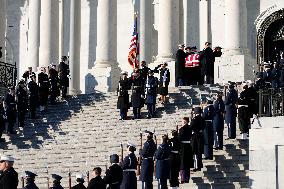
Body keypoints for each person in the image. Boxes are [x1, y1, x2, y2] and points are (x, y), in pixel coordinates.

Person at [178, 117, 193, 183]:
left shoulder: (182, 129)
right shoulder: (190, 128)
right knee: (187, 163)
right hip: (188, 146)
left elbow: (179, 138)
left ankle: (183, 178)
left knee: (183, 163)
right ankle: (187, 178)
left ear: (185, 122)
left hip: (183, 147)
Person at [190, 107, 206, 171]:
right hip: (201, 135)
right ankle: (200, 164)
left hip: (196, 136)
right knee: (199, 151)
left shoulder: (195, 119)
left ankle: (197, 166)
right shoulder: (202, 119)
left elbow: (191, 126)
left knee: (195, 151)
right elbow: (204, 126)